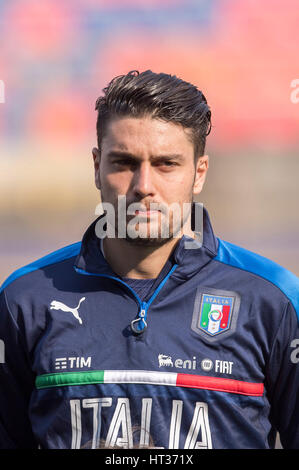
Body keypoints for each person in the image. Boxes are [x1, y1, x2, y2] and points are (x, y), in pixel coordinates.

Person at [0, 70, 298, 450]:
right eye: (124, 163)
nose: (143, 185)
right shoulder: (24, 301)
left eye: (166, 164)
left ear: (199, 172)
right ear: (96, 167)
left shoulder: (274, 299)